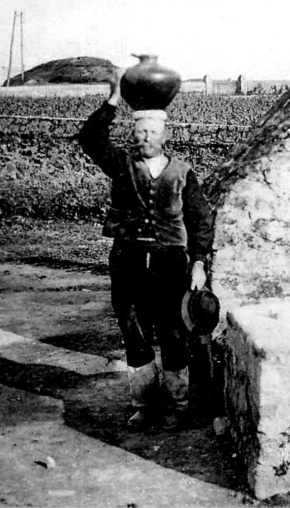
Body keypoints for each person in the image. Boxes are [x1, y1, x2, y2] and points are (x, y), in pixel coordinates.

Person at [78, 69, 214, 431]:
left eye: (152, 132)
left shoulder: (183, 172)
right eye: (139, 132)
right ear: (132, 133)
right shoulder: (121, 164)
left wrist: (199, 263)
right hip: (129, 259)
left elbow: (201, 220)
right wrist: (112, 100)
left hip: (171, 261)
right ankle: (143, 404)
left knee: (173, 332)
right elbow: (89, 138)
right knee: (134, 330)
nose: (145, 138)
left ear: (165, 135)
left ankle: (177, 404)